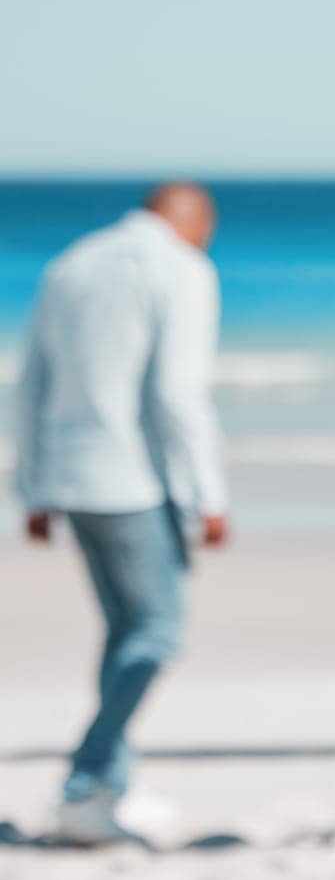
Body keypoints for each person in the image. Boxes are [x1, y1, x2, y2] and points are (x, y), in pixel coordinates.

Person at [14, 183, 229, 846]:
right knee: (159, 631)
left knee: (124, 632)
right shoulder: (182, 268)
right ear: (194, 223)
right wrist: (208, 494)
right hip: (135, 480)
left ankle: (110, 786)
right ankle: (84, 779)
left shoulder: (71, 262)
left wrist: (34, 485)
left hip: (74, 477)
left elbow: (33, 380)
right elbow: (176, 391)